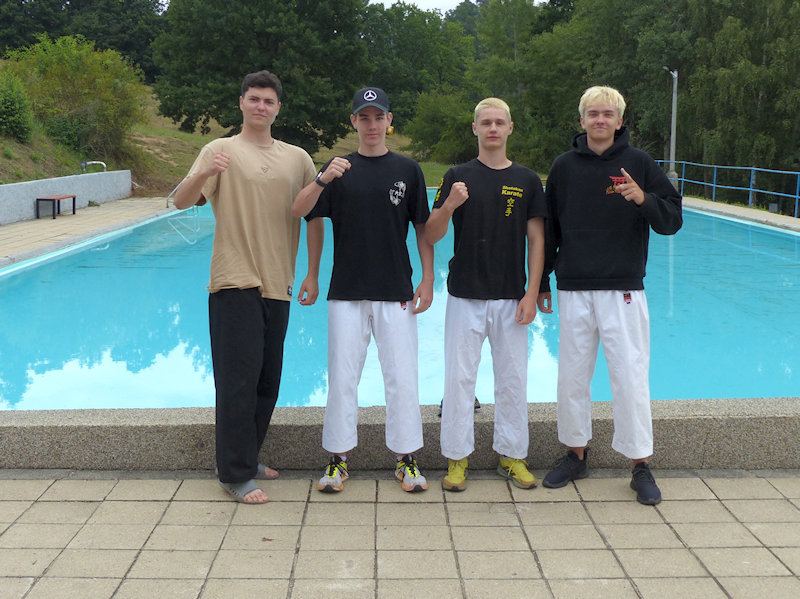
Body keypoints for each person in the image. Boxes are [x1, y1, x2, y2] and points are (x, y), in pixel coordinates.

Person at [173, 70, 323, 504]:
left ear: (278, 108)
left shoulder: (298, 158)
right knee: (237, 381)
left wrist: (312, 272)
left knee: (266, 381)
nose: (261, 106)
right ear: (241, 102)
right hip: (234, 279)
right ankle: (234, 474)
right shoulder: (219, 150)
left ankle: (247, 455)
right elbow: (181, 201)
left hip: (279, 281)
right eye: (254, 98)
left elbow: (314, 216)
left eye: (268, 101)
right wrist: (204, 172)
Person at [538, 85, 682, 505]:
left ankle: (640, 465)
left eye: (607, 114)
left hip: (623, 288)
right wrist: (543, 280)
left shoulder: (639, 163)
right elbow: (550, 229)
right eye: (593, 113)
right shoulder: (563, 167)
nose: (599, 120)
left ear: (619, 121)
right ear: (582, 119)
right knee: (572, 376)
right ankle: (575, 454)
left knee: (630, 377)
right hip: (574, 288)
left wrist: (643, 198)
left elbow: (672, 220)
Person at [292, 87, 434, 493]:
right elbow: (303, 212)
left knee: (402, 377)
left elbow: (423, 229)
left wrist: (428, 278)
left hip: (396, 289)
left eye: (379, 116)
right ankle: (337, 460)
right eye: (364, 117)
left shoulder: (408, 169)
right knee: (342, 378)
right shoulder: (338, 169)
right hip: (347, 291)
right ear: (353, 121)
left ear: (389, 121)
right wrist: (322, 179)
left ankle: (406, 459)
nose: (372, 124)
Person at [425, 97, 547, 492]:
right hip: (465, 294)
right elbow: (431, 234)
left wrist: (532, 291)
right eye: (486, 122)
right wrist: (450, 204)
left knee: (513, 379)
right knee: (459, 379)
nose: (492, 128)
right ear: (475, 128)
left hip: (511, 296)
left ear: (510, 128)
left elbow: (536, 239)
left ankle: (511, 455)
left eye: (499, 122)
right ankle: (456, 458)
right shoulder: (457, 176)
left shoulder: (527, 180)